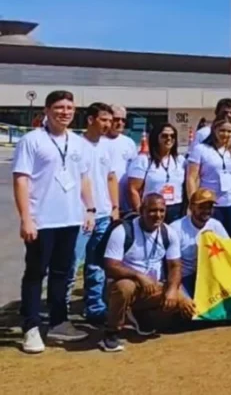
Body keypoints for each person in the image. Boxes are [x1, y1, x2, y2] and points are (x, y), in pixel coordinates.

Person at [13, 90, 96, 352]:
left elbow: (83, 178)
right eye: (59, 107)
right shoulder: (32, 140)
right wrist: (26, 218)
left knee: (62, 272)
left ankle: (59, 322)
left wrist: (90, 208)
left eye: (69, 108)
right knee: (36, 273)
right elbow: (21, 179)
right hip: (42, 220)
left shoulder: (78, 143)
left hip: (69, 219)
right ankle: (31, 327)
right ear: (47, 110)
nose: (65, 112)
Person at [100, 193, 194, 352]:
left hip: (153, 287)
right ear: (141, 210)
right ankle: (112, 332)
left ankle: (143, 319)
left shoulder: (168, 233)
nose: (158, 215)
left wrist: (172, 290)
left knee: (183, 301)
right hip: (123, 286)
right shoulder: (123, 231)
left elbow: (175, 267)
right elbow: (110, 266)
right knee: (125, 287)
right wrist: (138, 276)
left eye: (161, 211)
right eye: (152, 210)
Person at [73, 103, 122, 325]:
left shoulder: (107, 147)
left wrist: (115, 207)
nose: (108, 125)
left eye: (110, 120)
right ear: (91, 120)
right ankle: (59, 312)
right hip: (81, 216)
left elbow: (111, 178)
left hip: (103, 214)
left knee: (97, 265)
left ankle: (95, 308)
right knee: (72, 264)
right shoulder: (76, 145)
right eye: (104, 120)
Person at [186, 118, 231, 239]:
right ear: (214, 130)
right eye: (222, 130)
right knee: (212, 238)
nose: (226, 134)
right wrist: (193, 201)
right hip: (210, 203)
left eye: (229, 131)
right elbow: (191, 178)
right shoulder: (201, 149)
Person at [168, 188, 227, 298]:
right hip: (185, 277)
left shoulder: (216, 225)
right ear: (191, 207)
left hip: (210, 275)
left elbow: (228, 251)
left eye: (209, 207)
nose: (206, 211)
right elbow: (172, 266)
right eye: (202, 207)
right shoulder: (176, 228)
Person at [127, 123, 187, 221]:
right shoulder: (144, 160)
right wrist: (140, 212)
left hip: (176, 209)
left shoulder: (180, 160)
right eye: (164, 136)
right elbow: (133, 189)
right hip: (152, 209)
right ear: (156, 138)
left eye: (172, 136)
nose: (169, 139)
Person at [105, 105, 138, 213]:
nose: (120, 123)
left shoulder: (129, 143)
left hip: (125, 203)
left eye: (123, 120)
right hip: (104, 202)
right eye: (116, 119)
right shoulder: (99, 141)